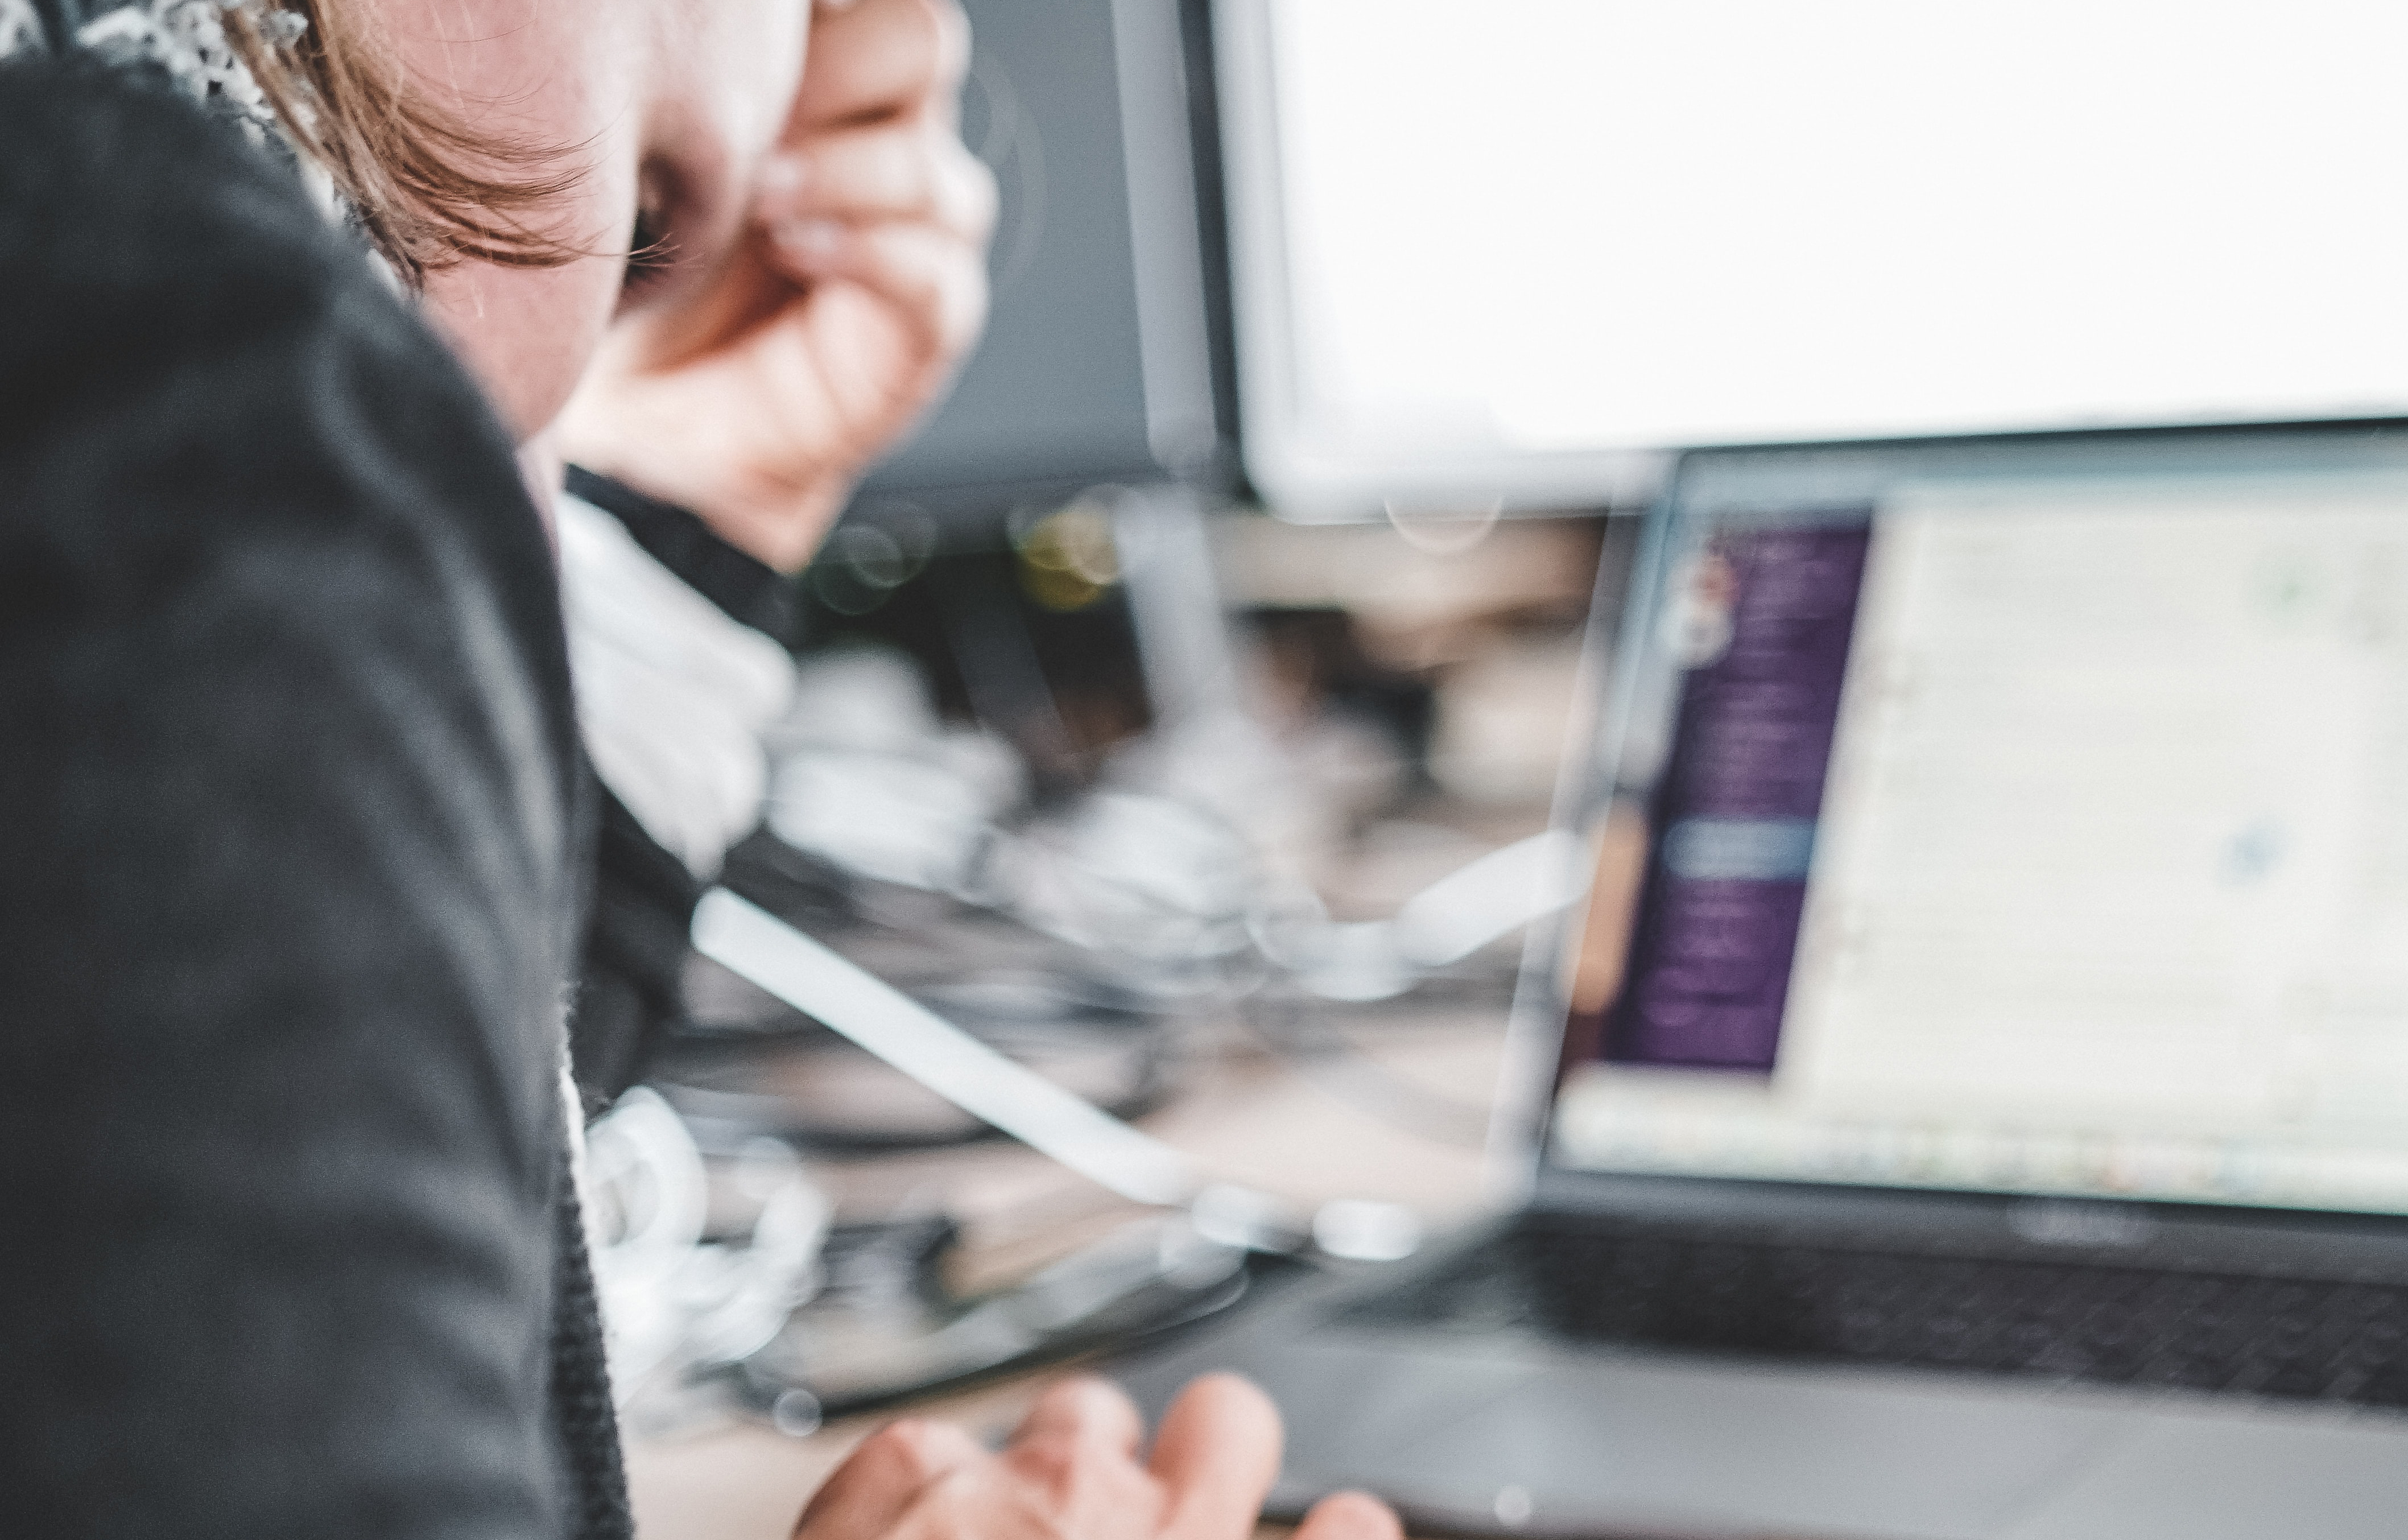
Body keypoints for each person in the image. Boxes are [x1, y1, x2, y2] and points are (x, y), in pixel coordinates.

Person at [0, 2, 1397, 1537]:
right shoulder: (149, 369)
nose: (516, 456)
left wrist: (686, 523)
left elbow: (277, 1183)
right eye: (653, 229)